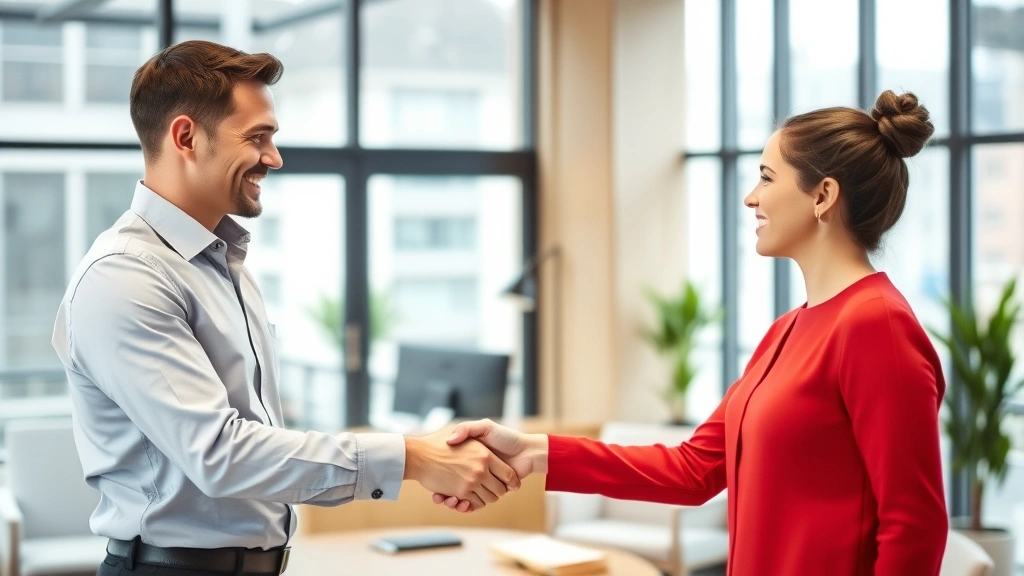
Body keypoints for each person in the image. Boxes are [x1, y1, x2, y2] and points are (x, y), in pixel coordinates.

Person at [51, 40, 519, 576]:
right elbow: (220, 455)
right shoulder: (125, 275)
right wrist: (415, 458)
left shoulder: (225, 264)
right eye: (257, 137)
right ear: (185, 136)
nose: (273, 158)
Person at [434, 90, 949, 576]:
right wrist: (534, 451)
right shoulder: (786, 330)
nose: (752, 198)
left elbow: (915, 523)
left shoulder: (875, 325)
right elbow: (693, 469)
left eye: (767, 178)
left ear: (824, 195)